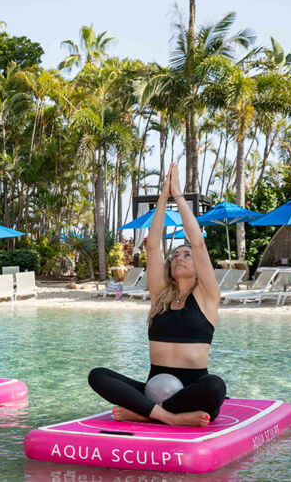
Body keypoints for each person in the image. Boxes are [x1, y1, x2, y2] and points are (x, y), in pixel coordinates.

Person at [88, 163, 226, 427]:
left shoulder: (208, 295)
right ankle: (166, 417)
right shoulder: (160, 295)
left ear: (198, 267)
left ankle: (146, 413)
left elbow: (197, 242)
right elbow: (152, 246)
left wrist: (178, 197)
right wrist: (161, 198)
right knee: (98, 375)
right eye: (175, 255)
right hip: (153, 388)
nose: (179, 258)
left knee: (216, 386)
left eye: (186, 255)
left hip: (193, 394)